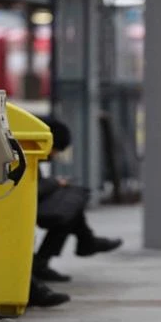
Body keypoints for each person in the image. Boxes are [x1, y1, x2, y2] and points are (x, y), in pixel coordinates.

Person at [31, 116, 122, 284]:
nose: (55, 155)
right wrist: (56, 182)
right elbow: (33, 188)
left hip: (27, 204)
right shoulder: (23, 153)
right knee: (68, 208)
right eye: (56, 149)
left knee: (70, 205)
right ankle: (85, 242)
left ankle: (85, 242)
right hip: (20, 207)